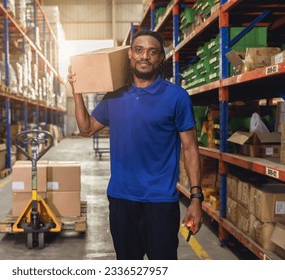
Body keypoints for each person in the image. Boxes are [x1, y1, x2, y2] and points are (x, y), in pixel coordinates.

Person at [67, 30, 203, 260]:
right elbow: (86, 129)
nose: (144, 56)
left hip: (160, 201)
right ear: (130, 55)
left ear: (161, 58)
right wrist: (77, 91)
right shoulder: (114, 96)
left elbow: (190, 148)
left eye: (152, 52)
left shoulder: (177, 97)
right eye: (139, 50)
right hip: (121, 199)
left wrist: (196, 199)